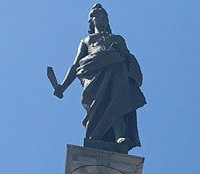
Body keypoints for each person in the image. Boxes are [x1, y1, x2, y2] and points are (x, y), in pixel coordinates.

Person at [53, 4, 145, 152]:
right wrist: (62, 87)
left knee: (117, 103)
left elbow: (128, 58)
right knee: (97, 106)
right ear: (91, 21)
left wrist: (123, 53)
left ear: (107, 19)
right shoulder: (86, 41)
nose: (99, 17)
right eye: (95, 15)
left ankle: (119, 137)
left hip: (116, 70)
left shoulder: (117, 38)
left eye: (102, 15)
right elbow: (76, 65)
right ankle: (95, 136)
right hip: (94, 76)